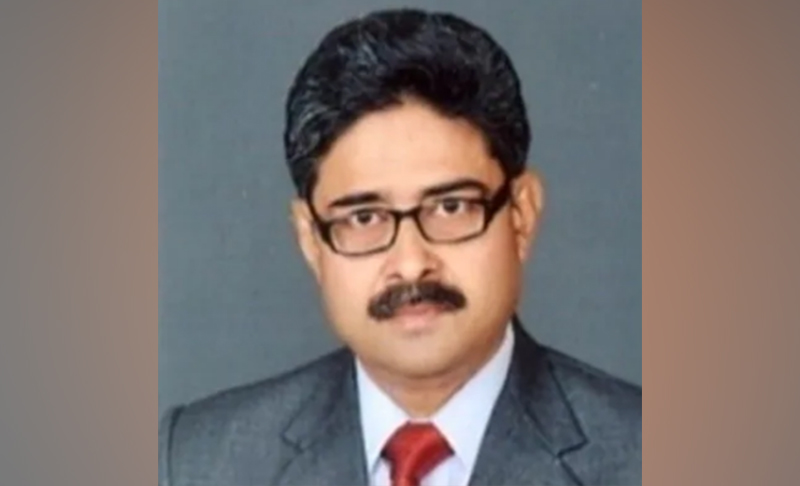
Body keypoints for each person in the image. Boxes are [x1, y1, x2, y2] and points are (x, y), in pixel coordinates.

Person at [158, 8, 641, 486]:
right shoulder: (200, 460)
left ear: (521, 214)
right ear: (310, 240)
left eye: (450, 207)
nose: (411, 265)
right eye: (364, 218)